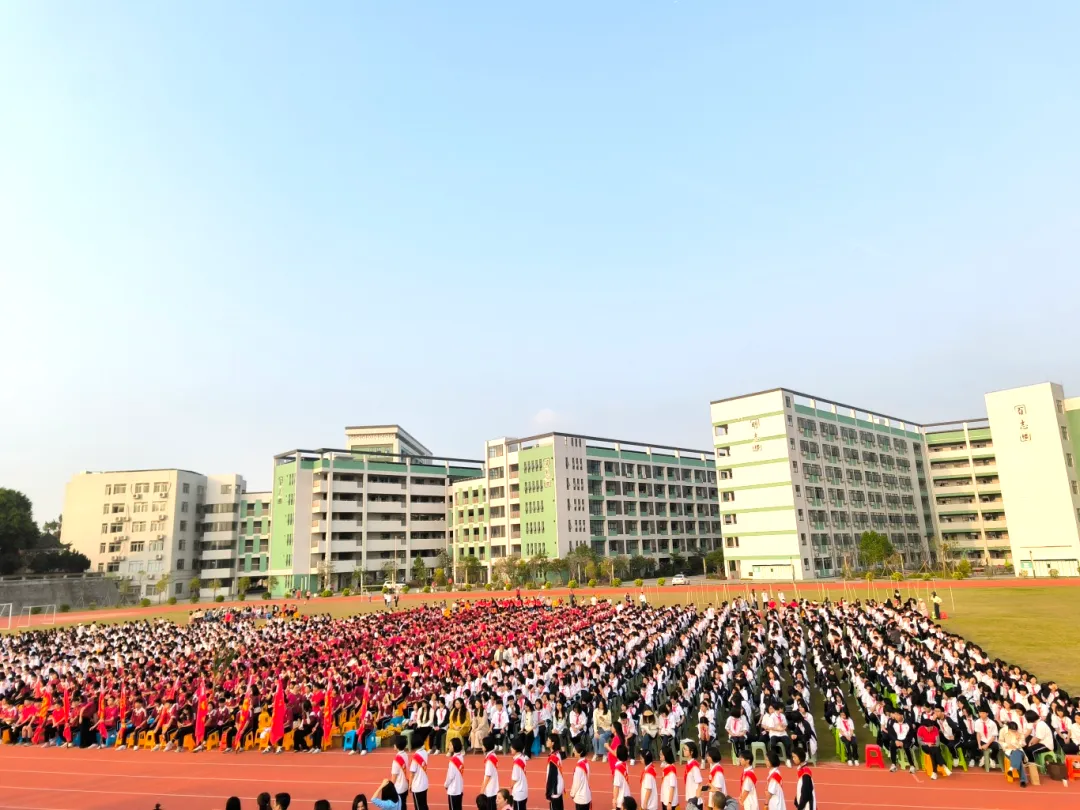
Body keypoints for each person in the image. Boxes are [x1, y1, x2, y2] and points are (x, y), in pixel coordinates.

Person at [999, 722, 1028, 788]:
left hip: (1019, 750)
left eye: (1015, 731)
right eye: (1012, 731)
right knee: (1018, 760)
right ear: (1008, 729)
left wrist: (1019, 740)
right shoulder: (1003, 731)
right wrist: (1007, 745)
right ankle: (1023, 780)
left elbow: (1023, 743)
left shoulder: (1019, 732)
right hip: (1009, 751)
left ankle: (1011, 768)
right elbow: (1000, 741)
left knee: (1017, 752)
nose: (1014, 732)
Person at [410, 731, 430, 810]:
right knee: (424, 804)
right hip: (424, 783)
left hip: (417, 786)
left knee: (418, 807)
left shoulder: (415, 757)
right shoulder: (425, 752)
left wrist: (410, 785)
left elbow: (412, 773)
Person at [511, 734, 530, 810]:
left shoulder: (517, 762)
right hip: (523, 790)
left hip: (518, 792)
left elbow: (514, 778)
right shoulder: (522, 757)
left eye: (512, 747)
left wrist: (511, 786)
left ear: (516, 749)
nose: (511, 749)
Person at [481, 735, 501, 810]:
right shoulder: (493, 755)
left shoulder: (489, 760)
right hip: (494, 788)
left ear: (486, 746)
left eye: (482, 745)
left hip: (490, 790)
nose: (481, 746)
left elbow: (487, 776)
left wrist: (482, 791)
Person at [546, 736, 565, 810]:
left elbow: (552, 776)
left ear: (553, 743)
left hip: (555, 789)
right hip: (559, 786)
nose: (547, 742)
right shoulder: (557, 754)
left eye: (548, 740)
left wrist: (548, 793)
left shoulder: (553, 758)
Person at [682, 742, 702, 810]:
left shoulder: (694, 767)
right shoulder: (688, 764)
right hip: (690, 799)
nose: (683, 750)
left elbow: (699, 784)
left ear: (691, 752)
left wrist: (697, 799)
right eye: (683, 749)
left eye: (685, 749)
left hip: (695, 801)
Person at [391, 735, 411, 809]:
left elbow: (393, 778)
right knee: (403, 805)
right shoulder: (405, 755)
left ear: (397, 745)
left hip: (398, 788)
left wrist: (390, 789)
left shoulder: (396, 761)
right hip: (405, 786)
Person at [570, 745, 592, 810]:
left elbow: (576, 783)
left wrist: (572, 794)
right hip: (586, 795)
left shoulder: (579, 767)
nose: (573, 751)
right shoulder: (585, 762)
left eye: (575, 750)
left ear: (580, 753)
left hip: (580, 798)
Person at [446, 737, 465, 810]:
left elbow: (450, 776)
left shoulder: (453, 761)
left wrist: (446, 784)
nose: (449, 746)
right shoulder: (461, 757)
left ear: (455, 746)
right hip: (459, 788)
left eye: (450, 745)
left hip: (453, 790)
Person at [611, 744, 630, 810]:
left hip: (621, 800)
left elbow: (616, 786)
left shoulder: (618, 769)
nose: (615, 751)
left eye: (616, 750)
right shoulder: (624, 765)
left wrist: (614, 799)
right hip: (626, 795)